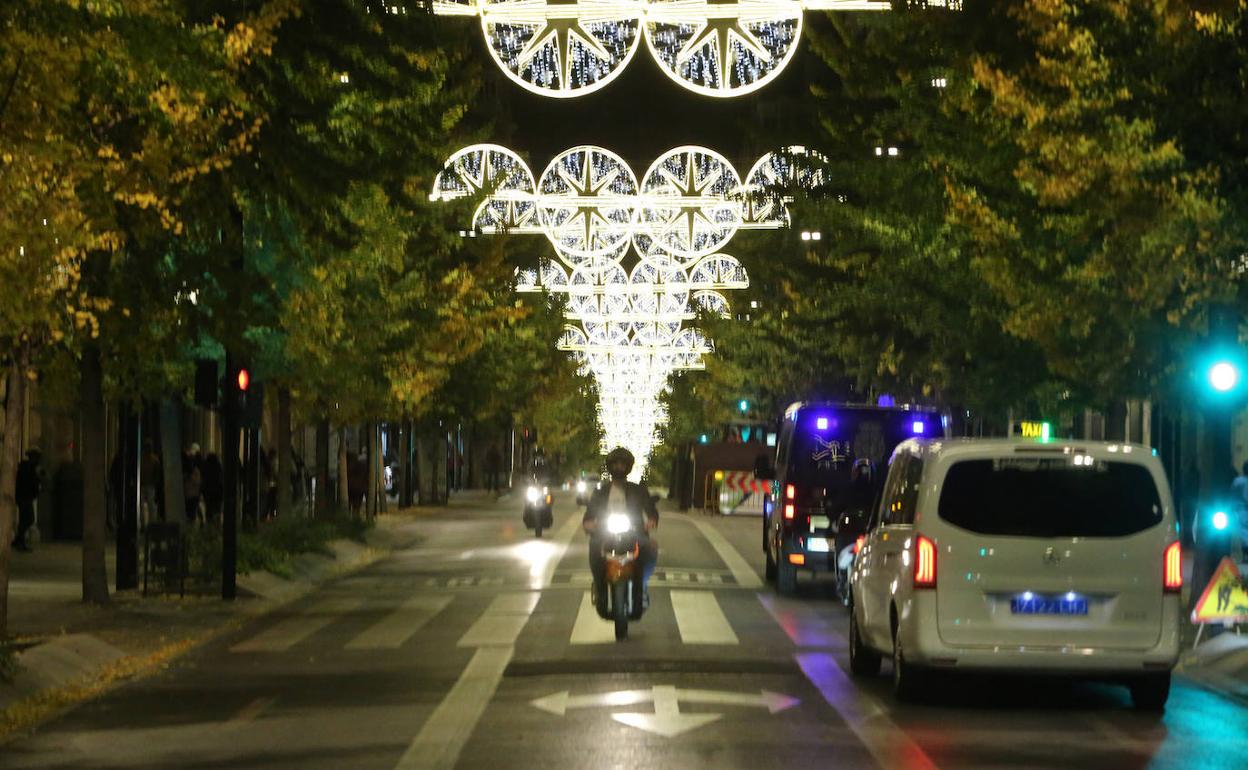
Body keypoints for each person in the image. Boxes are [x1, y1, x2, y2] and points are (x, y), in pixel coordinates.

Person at [581, 447, 659, 615]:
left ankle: (642, 585)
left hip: (634, 531)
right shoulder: (601, 491)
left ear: (628, 467)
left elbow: (650, 509)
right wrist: (588, 524)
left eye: (623, 464)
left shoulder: (638, 490)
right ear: (610, 466)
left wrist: (651, 521)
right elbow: (589, 514)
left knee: (649, 547)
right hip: (604, 532)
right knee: (594, 547)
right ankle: (600, 587)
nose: (619, 467)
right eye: (615, 464)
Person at [13, 448, 42, 551]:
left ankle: (18, 540)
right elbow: (30, 482)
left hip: (25, 496)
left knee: (24, 519)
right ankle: (19, 540)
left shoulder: (28, 467)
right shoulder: (28, 468)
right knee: (28, 519)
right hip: (25, 497)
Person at [139, 441, 162, 525]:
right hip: (144, 484)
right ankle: (144, 523)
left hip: (149, 485)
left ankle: (150, 523)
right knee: (144, 506)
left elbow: (157, 473)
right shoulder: (143, 459)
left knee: (150, 505)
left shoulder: (154, 460)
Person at [201, 452, 224, 524]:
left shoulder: (205, 466)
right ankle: (217, 522)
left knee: (209, 507)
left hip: (208, 490)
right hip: (217, 490)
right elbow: (221, 478)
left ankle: (210, 522)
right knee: (217, 507)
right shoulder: (218, 466)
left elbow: (203, 477)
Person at [183, 443, 203, 523]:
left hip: (191, 493)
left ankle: (197, 520)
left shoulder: (194, 471)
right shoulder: (194, 470)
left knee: (193, 509)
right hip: (191, 493)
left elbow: (197, 481)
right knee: (194, 508)